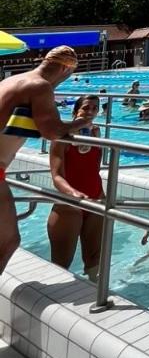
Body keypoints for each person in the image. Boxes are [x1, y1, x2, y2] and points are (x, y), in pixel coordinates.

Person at [0, 46, 82, 274]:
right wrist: (81, 123)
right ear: (67, 68)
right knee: (7, 243)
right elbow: (52, 131)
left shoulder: (16, 81)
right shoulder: (40, 87)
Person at [47, 93, 105, 280]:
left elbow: (94, 169)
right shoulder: (62, 136)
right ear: (75, 110)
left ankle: (96, 296)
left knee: (95, 260)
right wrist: (73, 194)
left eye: (95, 108)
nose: (91, 111)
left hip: (95, 200)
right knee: (61, 265)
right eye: (86, 107)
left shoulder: (96, 132)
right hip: (69, 204)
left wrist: (101, 196)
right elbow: (57, 176)